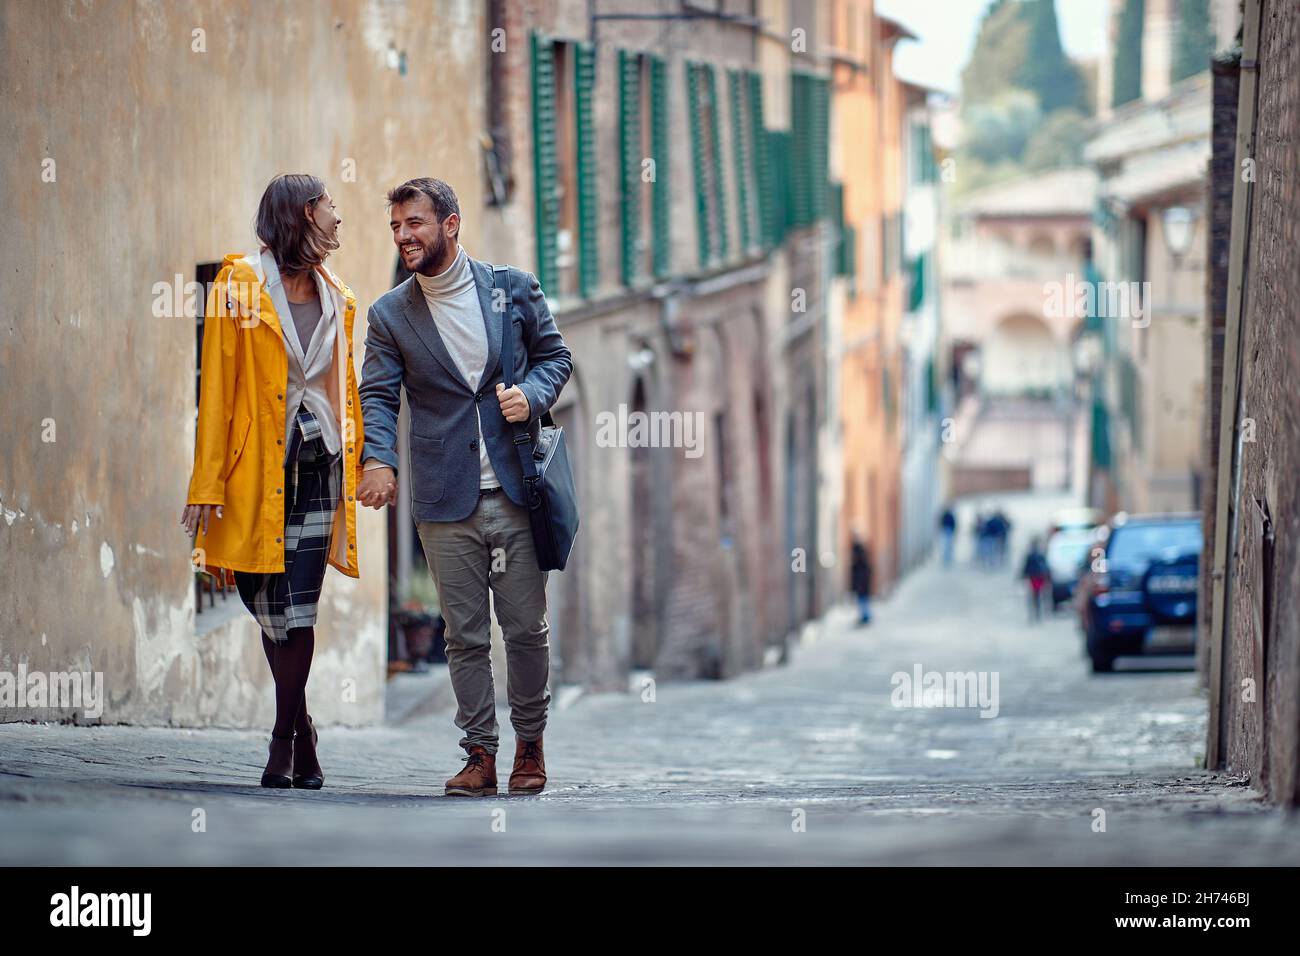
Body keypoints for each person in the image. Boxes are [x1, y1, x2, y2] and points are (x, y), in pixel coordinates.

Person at [357, 178, 572, 797]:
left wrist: (528, 397)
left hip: (514, 489)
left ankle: (529, 743)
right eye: (396, 226)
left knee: (526, 628)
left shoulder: (512, 289)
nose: (404, 237)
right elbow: (376, 394)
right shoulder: (390, 315)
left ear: (450, 225)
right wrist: (379, 459)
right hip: (444, 498)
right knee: (463, 634)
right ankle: (479, 752)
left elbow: (555, 358)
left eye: (415, 223)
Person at [182, 174, 363, 790]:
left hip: (319, 465)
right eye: (331, 209)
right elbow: (217, 390)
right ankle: (305, 731)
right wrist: (206, 485)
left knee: (301, 607)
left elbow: (346, 387)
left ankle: (282, 739)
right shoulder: (238, 284)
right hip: (255, 467)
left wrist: (364, 458)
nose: (340, 220)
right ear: (306, 213)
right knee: (264, 601)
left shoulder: (337, 293)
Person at [1021, 538, 1051, 621]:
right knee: (1038, 595)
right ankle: (1038, 612)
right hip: (1038, 577)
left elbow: (1025, 567)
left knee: (1034, 596)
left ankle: (1035, 613)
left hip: (1034, 577)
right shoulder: (1040, 554)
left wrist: (1023, 575)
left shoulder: (1031, 555)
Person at [849, 538, 873, 625]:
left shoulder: (860, 565)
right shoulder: (863, 563)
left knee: (863, 600)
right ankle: (865, 616)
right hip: (863, 586)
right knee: (863, 600)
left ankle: (865, 616)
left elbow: (859, 576)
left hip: (862, 585)